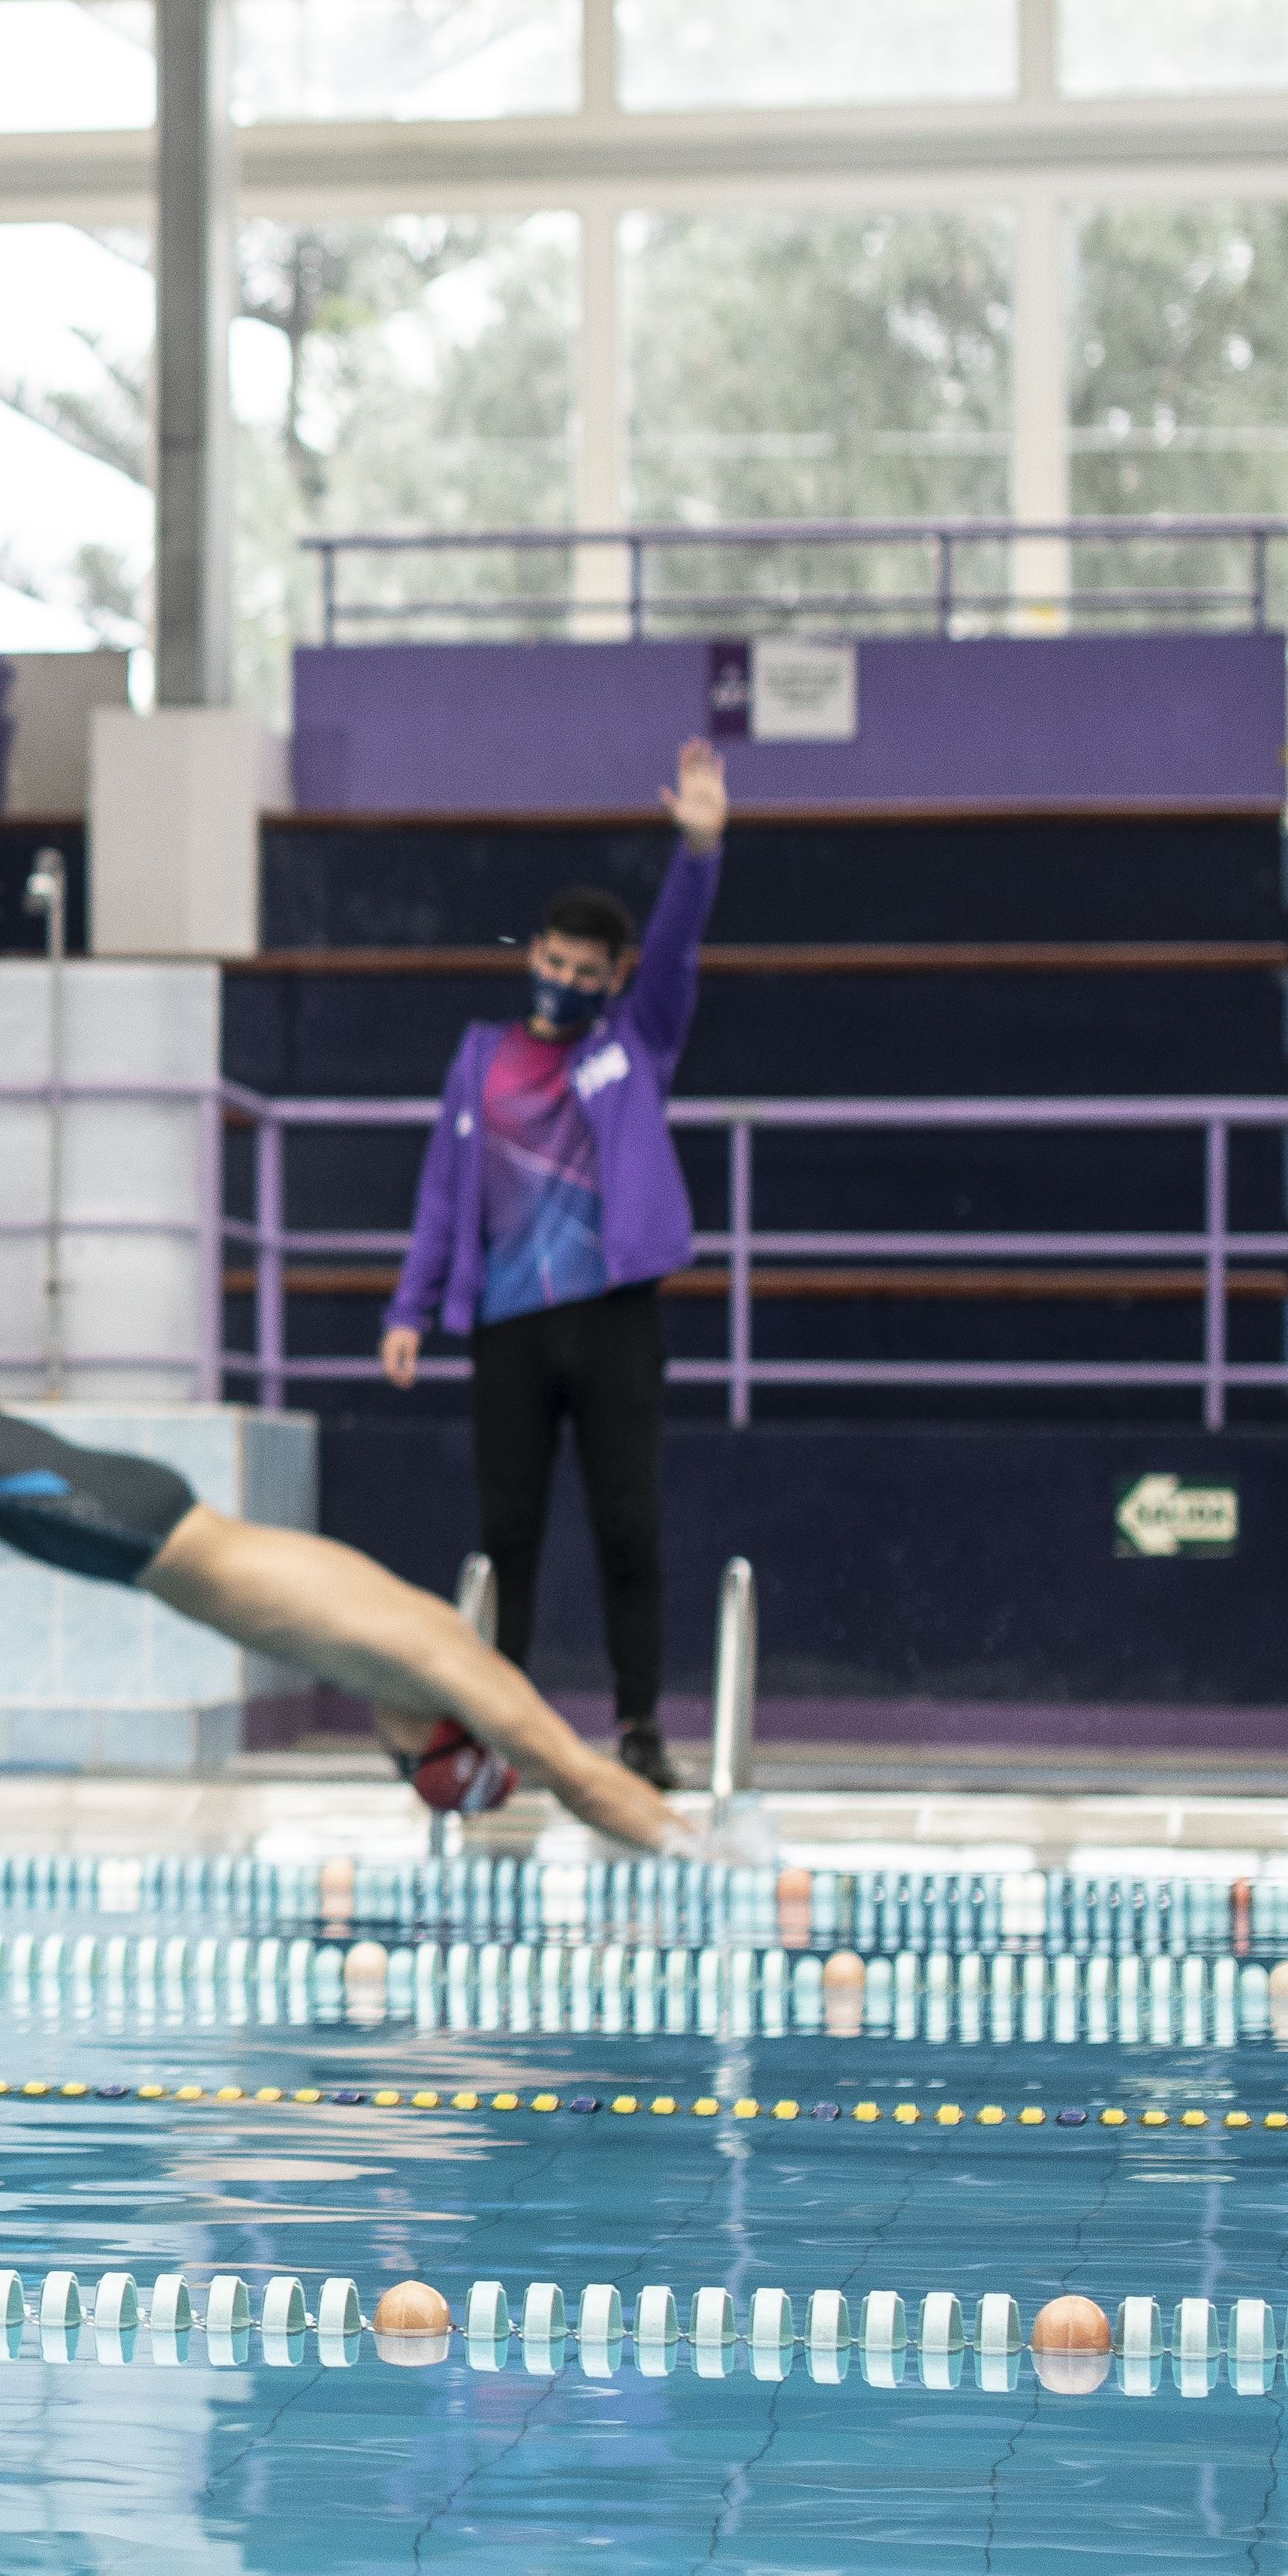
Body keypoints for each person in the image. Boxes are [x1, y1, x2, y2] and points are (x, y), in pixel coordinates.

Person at [0, 1237, 690, 1858]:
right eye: (409, 1764)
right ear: (440, 1737)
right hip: (139, 1527)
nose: (386, 1750)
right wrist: (707, 1860)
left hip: (133, 1540)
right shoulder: (454, 1667)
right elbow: (586, 1779)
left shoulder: (412, 1666)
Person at [381, 740, 730, 1795]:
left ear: (611, 979)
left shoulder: (636, 1042)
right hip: (506, 1325)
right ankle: (503, 1731)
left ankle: (637, 1726)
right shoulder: (478, 1057)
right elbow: (445, 1190)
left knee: (629, 1524)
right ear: (532, 952)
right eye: (556, 961)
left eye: (590, 972)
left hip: (613, 1317)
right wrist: (411, 1305)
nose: (568, 980)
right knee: (510, 1537)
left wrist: (700, 849)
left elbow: (672, 949)